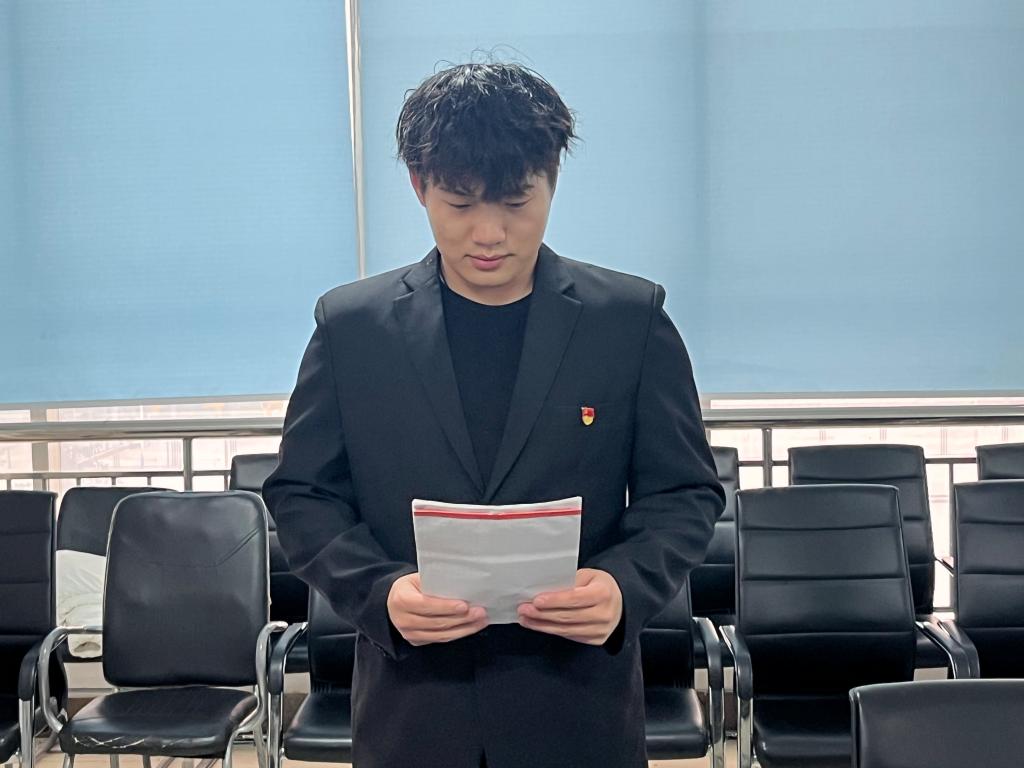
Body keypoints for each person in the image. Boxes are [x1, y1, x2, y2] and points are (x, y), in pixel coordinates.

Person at [264, 62, 725, 768]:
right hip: (414, 711)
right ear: (419, 186)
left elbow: (685, 493)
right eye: (459, 204)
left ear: (552, 181)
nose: (489, 233)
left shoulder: (629, 321)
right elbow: (302, 495)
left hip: (576, 707)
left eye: (515, 202)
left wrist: (623, 587)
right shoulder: (352, 329)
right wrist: (381, 593)